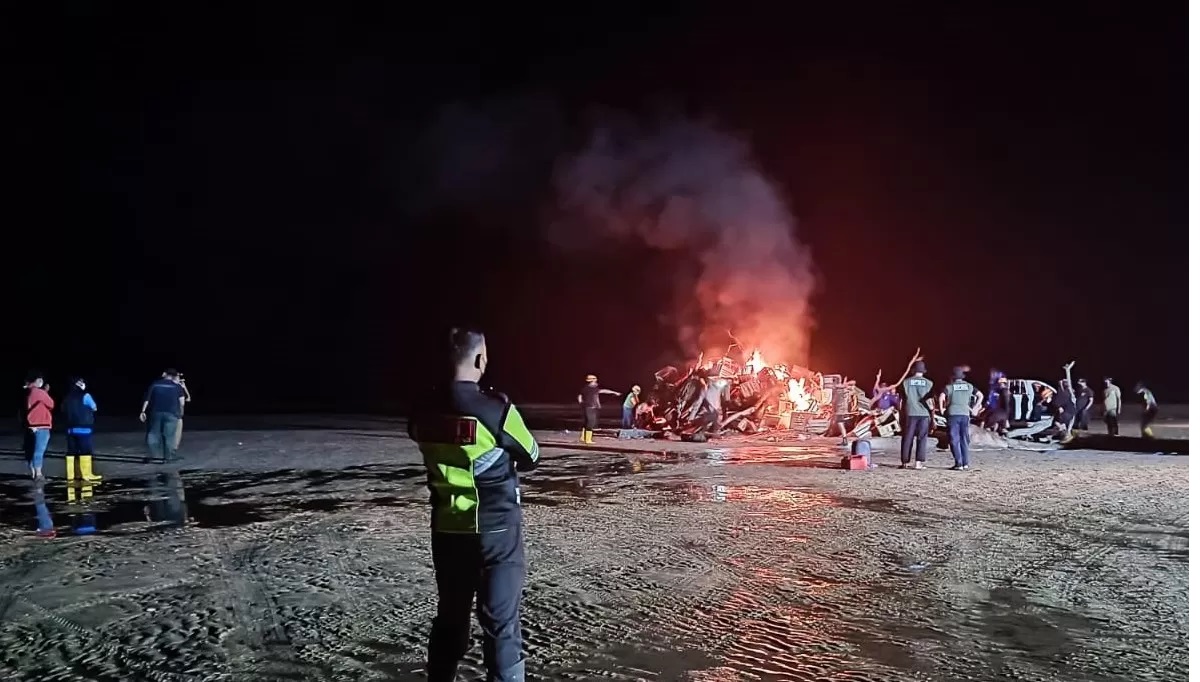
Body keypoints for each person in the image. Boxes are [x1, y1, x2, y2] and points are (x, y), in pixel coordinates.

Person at [408, 328, 539, 682]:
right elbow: (531, 454)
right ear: (480, 359)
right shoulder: (494, 409)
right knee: (500, 623)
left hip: (448, 530)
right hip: (496, 533)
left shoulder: (421, 409)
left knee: (450, 617)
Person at [940, 366, 982, 470]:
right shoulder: (969, 386)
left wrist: (942, 409)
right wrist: (975, 408)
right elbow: (980, 395)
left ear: (953, 377)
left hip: (953, 414)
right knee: (964, 439)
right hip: (965, 414)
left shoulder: (949, 387)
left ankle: (958, 463)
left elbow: (941, 396)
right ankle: (965, 463)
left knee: (954, 439)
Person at [140, 369, 186, 463]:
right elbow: (182, 402)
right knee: (169, 436)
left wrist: (143, 411)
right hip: (172, 413)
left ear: (164, 374)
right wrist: (180, 414)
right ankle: (168, 458)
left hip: (155, 412)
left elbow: (147, 399)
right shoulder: (177, 387)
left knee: (153, 434)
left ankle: (152, 456)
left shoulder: (155, 384)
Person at [63, 377, 102, 482]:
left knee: (71, 452)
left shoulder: (67, 397)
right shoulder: (86, 395)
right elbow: (94, 407)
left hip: (70, 429)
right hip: (84, 429)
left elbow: (63, 410)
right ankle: (86, 475)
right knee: (86, 451)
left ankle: (70, 476)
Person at [899, 361, 935, 469]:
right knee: (922, 438)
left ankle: (905, 462)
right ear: (923, 371)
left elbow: (901, 400)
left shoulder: (905, 382)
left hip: (910, 412)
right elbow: (930, 401)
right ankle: (918, 463)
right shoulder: (929, 383)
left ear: (913, 370)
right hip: (924, 414)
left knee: (907, 437)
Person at [25, 373, 54, 480]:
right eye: (39, 379)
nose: (41, 381)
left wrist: (44, 393)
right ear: (35, 381)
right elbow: (51, 404)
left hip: (31, 424)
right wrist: (46, 393)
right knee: (39, 449)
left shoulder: (29, 391)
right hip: (42, 424)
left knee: (32, 448)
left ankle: (33, 471)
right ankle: (38, 473)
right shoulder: (39, 392)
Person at [577, 374, 620, 444]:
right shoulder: (589, 388)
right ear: (590, 381)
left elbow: (602, 391)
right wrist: (582, 403)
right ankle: (588, 440)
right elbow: (581, 396)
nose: (596, 380)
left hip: (588, 407)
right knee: (590, 423)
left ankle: (583, 437)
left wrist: (613, 392)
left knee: (587, 422)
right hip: (590, 407)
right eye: (594, 379)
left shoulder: (590, 388)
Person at [174, 372, 192, 450]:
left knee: (177, 432)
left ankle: (173, 447)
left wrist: (184, 387)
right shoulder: (174, 387)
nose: (180, 379)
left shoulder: (180, 387)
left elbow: (188, 398)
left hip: (178, 413)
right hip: (174, 412)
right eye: (178, 377)